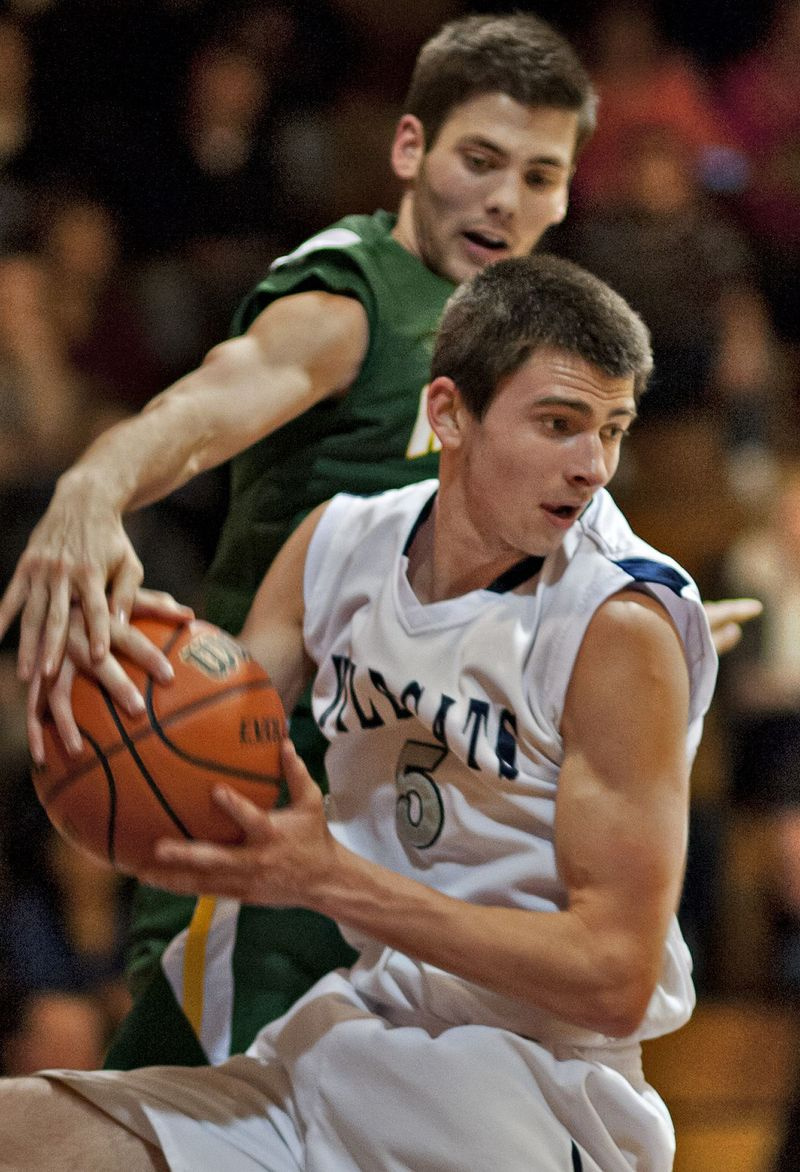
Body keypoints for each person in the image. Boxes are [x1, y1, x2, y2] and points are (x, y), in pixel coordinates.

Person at [0, 11, 755, 1070]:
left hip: (420, 818)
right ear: (410, 149)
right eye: (479, 160)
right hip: (262, 777)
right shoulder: (352, 294)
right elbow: (225, 391)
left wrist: (612, 636)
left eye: (539, 176)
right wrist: (96, 481)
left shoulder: (508, 341)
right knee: (179, 1124)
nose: (505, 198)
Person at [0, 252, 717, 1172]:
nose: (593, 469)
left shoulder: (619, 623)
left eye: (612, 430)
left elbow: (615, 977)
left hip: (532, 1093)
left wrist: (331, 881)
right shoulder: (338, 545)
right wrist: (112, 685)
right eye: (559, 424)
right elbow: (205, 754)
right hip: (349, 1036)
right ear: (448, 412)